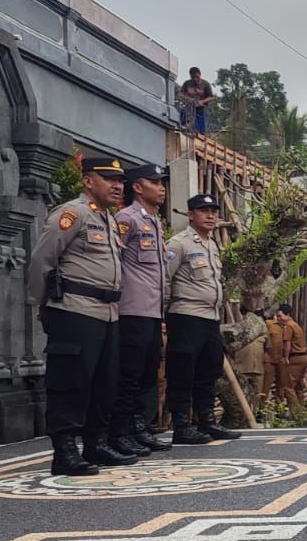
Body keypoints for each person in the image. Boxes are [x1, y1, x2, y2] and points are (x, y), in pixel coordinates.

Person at [27, 157, 135, 475]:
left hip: (109, 313)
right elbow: (41, 261)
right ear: (88, 181)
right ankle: (64, 451)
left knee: (105, 383)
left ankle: (95, 444)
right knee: (70, 383)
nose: (117, 186)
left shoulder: (110, 220)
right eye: (108, 179)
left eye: (120, 181)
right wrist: (44, 305)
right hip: (75, 310)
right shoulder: (71, 214)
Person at [164, 194, 240, 445]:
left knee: (209, 369)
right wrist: (163, 315)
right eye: (203, 211)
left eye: (213, 211)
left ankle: (206, 421)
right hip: (185, 315)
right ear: (190, 215)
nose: (210, 216)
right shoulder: (179, 243)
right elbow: (164, 280)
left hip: (209, 317)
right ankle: (182, 424)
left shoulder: (211, 244)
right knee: (183, 371)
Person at [110, 162, 171, 456]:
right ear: (137, 187)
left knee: (147, 375)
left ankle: (139, 427)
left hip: (152, 311)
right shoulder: (126, 218)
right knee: (129, 374)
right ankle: (121, 431)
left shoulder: (154, 221)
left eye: (162, 183)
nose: (161, 188)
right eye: (155, 182)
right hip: (131, 309)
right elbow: (112, 259)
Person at [225, 305, 268, 411]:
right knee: (242, 394)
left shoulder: (264, 332)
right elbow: (230, 349)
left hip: (258, 367)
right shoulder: (239, 331)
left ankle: (256, 412)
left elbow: (268, 348)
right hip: (242, 367)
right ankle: (244, 413)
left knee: (258, 393)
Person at [268, 304, 307, 406]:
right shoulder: (296, 325)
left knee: (288, 386)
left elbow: (287, 343)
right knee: (298, 386)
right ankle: (302, 409)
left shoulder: (288, 326)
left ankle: (295, 413)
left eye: (280, 316)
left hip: (295, 357)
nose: (278, 319)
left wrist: (286, 357)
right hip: (303, 357)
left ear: (287, 315)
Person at [178, 67, 215, 135]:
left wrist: (202, 101)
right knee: (183, 112)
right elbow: (180, 94)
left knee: (201, 129)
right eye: (193, 77)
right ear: (190, 76)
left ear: (200, 74)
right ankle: (183, 127)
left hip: (201, 108)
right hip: (190, 106)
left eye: (197, 77)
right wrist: (187, 99)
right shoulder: (187, 83)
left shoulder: (205, 84)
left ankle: (200, 135)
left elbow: (211, 97)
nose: (195, 79)